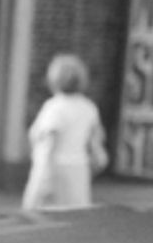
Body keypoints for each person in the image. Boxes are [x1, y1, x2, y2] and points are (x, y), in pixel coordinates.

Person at [21, 53, 109, 211]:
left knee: (35, 216)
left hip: (52, 168)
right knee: (75, 217)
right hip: (78, 170)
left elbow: (50, 141)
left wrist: (45, 177)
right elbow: (97, 145)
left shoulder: (54, 107)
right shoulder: (89, 108)